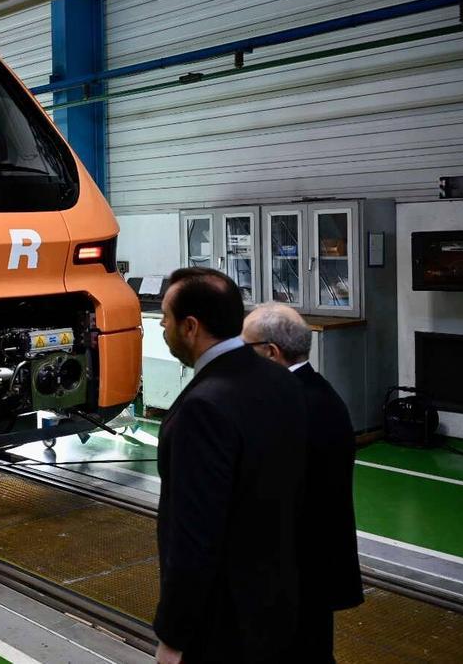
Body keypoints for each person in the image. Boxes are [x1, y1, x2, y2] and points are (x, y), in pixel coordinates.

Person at [154, 267, 308, 664]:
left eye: (166, 319)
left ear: (191, 327)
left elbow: (195, 535)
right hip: (279, 607)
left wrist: (173, 636)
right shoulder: (282, 380)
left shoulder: (202, 407)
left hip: (222, 622)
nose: (162, 328)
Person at [243, 303, 364, 662]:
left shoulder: (295, 405)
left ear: (271, 352)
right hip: (305, 569)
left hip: (297, 573)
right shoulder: (314, 393)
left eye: (245, 348)